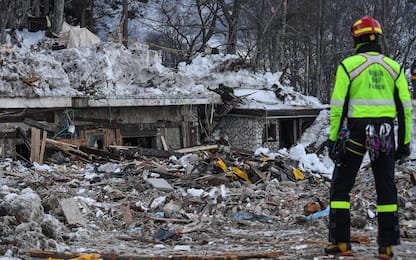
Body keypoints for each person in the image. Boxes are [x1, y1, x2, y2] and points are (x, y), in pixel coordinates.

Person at [325, 15, 412, 259]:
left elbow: (337, 107)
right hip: (384, 132)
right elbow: (405, 109)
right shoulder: (394, 68)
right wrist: (405, 143)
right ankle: (386, 247)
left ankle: (341, 243)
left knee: (341, 187)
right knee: (386, 188)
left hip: (355, 133)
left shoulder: (348, 66)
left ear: (356, 38)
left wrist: (333, 140)